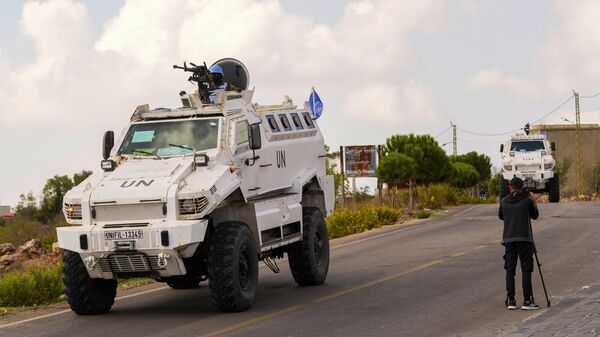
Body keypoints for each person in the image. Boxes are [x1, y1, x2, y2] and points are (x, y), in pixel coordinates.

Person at [498, 177, 540, 310]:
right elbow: (535, 215)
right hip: (524, 239)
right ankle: (527, 301)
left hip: (509, 240)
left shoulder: (503, 201)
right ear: (522, 187)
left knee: (510, 270)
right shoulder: (527, 201)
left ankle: (511, 300)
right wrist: (534, 202)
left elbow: (501, 216)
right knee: (526, 269)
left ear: (510, 188)